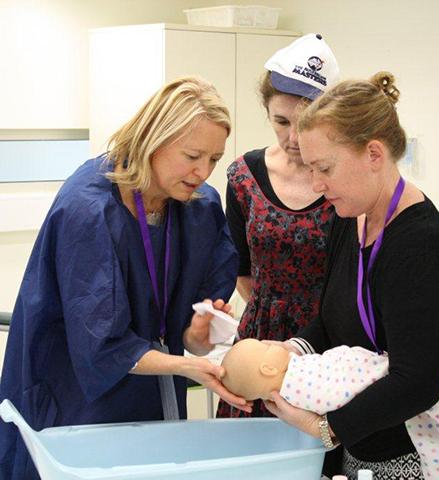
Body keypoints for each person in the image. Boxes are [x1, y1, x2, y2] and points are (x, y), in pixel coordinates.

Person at [0, 76, 251, 479]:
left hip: (153, 387)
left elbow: (188, 327)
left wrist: (198, 336)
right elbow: (100, 344)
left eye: (214, 160)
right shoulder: (89, 209)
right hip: (74, 391)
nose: (203, 172)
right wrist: (185, 367)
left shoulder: (199, 207)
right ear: (154, 138)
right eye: (192, 156)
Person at [258, 72, 439, 479]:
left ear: (374, 154)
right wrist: (293, 350)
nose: (317, 184)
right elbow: (336, 318)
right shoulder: (350, 215)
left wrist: (326, 428)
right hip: (366, 445)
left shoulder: (417, 242)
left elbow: (419, 379)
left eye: (325, 168)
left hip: (423, 449)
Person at [218, 33, 339, 419]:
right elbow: (242, 271)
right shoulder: (243, 175)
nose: (292, 138)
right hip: (259, 340)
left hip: (329, 340)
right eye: (280, 121)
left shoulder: (344, 181)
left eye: (304, 124)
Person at [221, 338, 439, 479]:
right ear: (268, 368)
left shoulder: (294, 378)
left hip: (398, 420)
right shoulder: (300, 384)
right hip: (391, 415)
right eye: (263, 346)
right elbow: (342, 389)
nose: (271, 342)